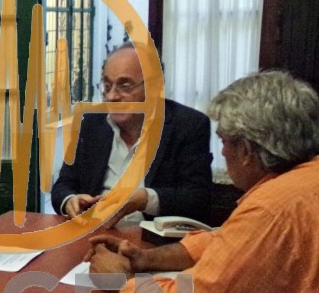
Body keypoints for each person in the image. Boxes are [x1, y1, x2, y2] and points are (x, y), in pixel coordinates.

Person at [85, 70, 319, 293]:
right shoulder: (303, 183)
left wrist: (122, 283)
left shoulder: (274, 209)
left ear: (246, 150)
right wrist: (148, 258)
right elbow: (229, 241)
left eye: (223, 141)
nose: (221, 152)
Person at [51, 42, 213, 225]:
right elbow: (63, 185)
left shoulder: (187, 125)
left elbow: (197, 199)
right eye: (107, 86)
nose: (112, 96)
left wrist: (144, 200)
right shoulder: (91, 124)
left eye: (125, 86)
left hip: (149, 238)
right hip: (95, 232)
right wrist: (69, 201)